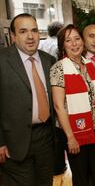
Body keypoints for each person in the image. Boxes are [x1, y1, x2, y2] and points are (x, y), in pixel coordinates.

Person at [51, 24, 95, 186]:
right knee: (81, 178)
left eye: (77, 39)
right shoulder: (59, 68)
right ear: (62, 45)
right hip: (75, 133)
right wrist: (70, 138)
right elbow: (58, 106)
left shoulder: (90, 65)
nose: (74, 43)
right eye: (68, 40)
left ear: (82, 42)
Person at [0, 13, 56, 185]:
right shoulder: (2, 60)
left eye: (34, 30)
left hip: (46, 137)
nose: (30, 36)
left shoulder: (50, 61)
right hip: (14, 142)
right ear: (13, 36)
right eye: (23, 31)